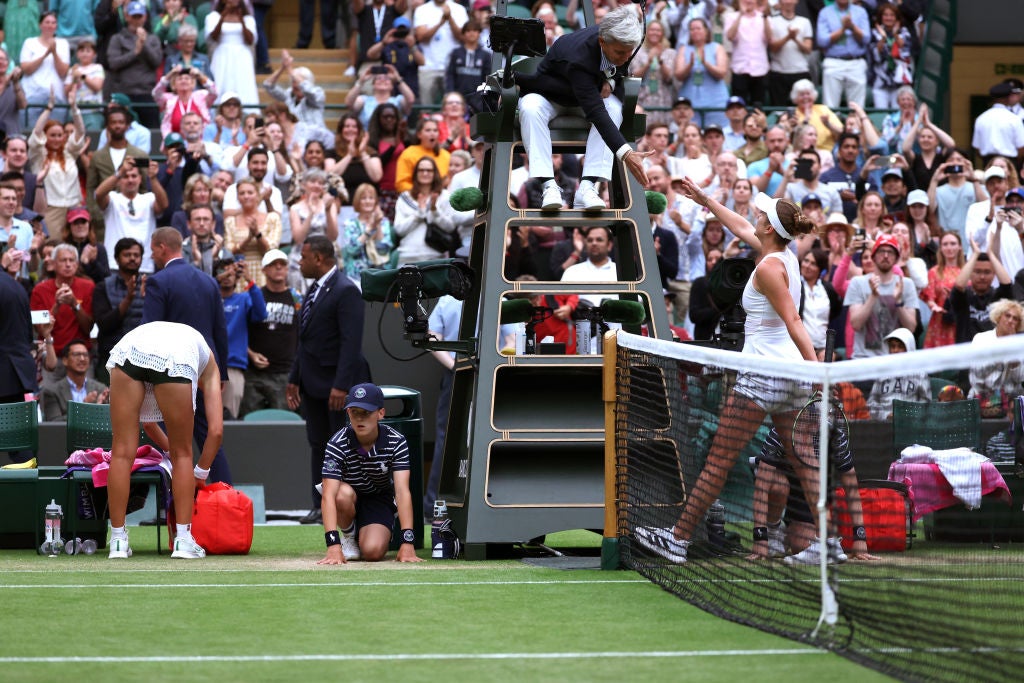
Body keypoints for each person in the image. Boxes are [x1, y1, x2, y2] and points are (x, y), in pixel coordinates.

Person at [634, 179, 818, 564]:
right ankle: (826, 542)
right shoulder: (785, 254)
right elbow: (738, 225)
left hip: (763, 376)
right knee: (803, 462)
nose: (756, 213)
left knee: (718, 460)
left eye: (762, 213)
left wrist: (818, 370)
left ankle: (678, 539)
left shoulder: (768, 268)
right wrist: (704, 199)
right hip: (790, 377)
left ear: (769, 228)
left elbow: (794, 320)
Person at [104, 321, 224, 560]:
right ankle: (183, 540)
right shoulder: (209, 366)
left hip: (129, 351)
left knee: (121, 452)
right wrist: (198, 473)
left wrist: (180, 460)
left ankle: (117, 541)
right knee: (183, 453)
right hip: (173, 358)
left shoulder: (188, 343)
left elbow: (149, 424)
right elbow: (216, 431)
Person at [518, 6, 651, 212]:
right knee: (529, 107)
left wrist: (612, 81)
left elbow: (620, 69)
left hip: (584, 97)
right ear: (602, 42)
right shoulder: (578, 58)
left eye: (629, 52)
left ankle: (588, 187)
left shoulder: (618, 41)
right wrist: (626, 153)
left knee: (614, 109)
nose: (626, 57)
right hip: (549, 97)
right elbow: (595, 112)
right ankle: (548, 185)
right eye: (620, 52)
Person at [287, 235, 372, 525]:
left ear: (319, 259)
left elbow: (351, 343)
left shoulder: (346, 290)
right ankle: (319, 504)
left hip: (336, 385)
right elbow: (305, 341)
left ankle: (344, 504)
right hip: (312, 383)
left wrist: (342, 385)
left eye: (304, 256)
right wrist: (294, 378)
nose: (300, 261)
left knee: (343, 445)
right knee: (318, 444)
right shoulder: (314, 289)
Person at [141, 227, 231, 484]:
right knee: (209, 436)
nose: (151, 253)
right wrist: (220, 374)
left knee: (173, 440)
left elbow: (149, 330)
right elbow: (220, 330)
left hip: (172, 371)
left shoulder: (158, 281)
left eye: (152, 248)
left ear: (161, 247)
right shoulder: (208, 281)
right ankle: (224, 499)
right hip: (206, 367)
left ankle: (172, 506)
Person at [318, 382, 422, 564]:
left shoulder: (397, 441)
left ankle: (376, 527)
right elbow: (328, 495)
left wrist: (408, 541)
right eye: (354, 412)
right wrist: (332, 545)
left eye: (366, 412)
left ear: (380, 413)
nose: (360, 418)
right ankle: (349, 537)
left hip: (378, 499)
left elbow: (402, 491)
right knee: (340, 494)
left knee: (373, 553)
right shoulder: (337, 442)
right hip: (348, 498)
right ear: (348, 413)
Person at [240, 249, 300, 416]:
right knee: (249, 425)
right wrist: (251, 354)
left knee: (284, 426)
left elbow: (305, 334)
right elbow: (238, 332)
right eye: (273, 265)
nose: (279, 268)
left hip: (285, 373)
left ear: (288, 269)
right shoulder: (252, 296)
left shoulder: (297, 298)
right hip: (254, 374)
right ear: (264, 270)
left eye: (282, 264)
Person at [213, 257, 267, 419]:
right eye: (223, 270)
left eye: (232, 271)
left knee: (229, 417)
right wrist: (215, 281)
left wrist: (250, 280)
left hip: (233, 367)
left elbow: (261, 314)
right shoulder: (208, 298)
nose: (228, 275)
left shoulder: (243, 299)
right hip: (206, 367)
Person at [28, 87, 86, 236]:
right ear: (45, 136)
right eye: (52, 135)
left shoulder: (69, 153)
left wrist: (74, 107)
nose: (56, 139)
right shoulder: (38, 154)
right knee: (53, 246)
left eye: (60, 135)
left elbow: (80, 132)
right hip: (51, 209)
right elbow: (36, 133)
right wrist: (49, 108)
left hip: (74, 207)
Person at [97, 157, 168, 275]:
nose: (130, 180)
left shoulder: (149, 198)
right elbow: (99, 194)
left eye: (134, 176)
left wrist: (153, 178)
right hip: (115, 265)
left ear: (140, 179)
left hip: (144, 265)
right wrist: (119, 173)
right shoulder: (113, 198)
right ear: (119, 180)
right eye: (126, 176)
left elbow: (164, 204)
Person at [0, 260, 39, 464]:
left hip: (6, 373)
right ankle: (29, 492)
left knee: (19, 446)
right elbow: (26, 335)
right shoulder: (16, 285)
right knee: (20, 445)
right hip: (17, 373)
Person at [91, 237, 146, 384]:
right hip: (111, 359)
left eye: (136, 255)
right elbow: (104, 324)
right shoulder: (103, 287)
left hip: (143, 359)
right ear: (116, 258)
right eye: (127, 255)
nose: (132, 259)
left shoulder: (149, 286)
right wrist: (128, 299)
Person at [29, 243, 94, 357]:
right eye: (63, 260)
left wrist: (75, 304)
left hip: (80, 355)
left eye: (71, 260)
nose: (68, 264)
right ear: (53, 264)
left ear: (77, 264)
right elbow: (40, 330)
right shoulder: (39, 290)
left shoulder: (88, 287)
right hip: (51, 354)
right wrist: (57, 304)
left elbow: (89, 328)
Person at [105, 2, 163, 129]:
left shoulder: (153, 39)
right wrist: (134, 52)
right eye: (134, 16)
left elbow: (156, 61)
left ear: (145, 17)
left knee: (153, 128)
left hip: (146, 92)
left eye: (139, 16)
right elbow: (113, 63)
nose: (136, 20)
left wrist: (144, 44)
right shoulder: (117, 39)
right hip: (124, 92)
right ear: (127, 17)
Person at [263, 49, 334, 149]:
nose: (296, 85)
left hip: (315, 142)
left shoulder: (318, 93)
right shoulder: (288, 95)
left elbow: (308, 90)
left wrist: (291, 71)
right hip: (294, 142)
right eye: (293, 82)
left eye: (297, 81)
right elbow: (268, 86)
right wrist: (283, 68)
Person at [393, 156, 456, 263]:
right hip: (408, 255)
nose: (425, 173)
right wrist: (418, 214)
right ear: (415, 173)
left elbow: (450, 227)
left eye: (429, 170)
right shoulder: (404, 198)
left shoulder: (444, 196)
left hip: (436, 257)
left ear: (434, 173)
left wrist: (434, 211)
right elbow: (399, 230)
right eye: (421, 170)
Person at [968, 299, 1024, 419]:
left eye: (1015, 319)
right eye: (1007, 316)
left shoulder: (1019, 345)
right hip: (983, 398)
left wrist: (1015, 363)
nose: (1010, 321)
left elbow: (1019, 381)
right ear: (998, 317)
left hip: (1010, 402)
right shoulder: (981, 339)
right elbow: (977, 377)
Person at [948, 244, 1013, 345]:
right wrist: (975, 254)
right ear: (970, 273)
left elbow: (1007, 284)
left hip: (993, 352)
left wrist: (991, 254)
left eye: (987, 272)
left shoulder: (997, 296)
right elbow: (959, 285)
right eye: (977, 272)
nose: (982, 277)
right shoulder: (963, 296)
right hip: (967, 352)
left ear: (994, 274)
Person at [224, 177, 282, 287]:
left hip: (264, 273)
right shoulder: (230, 221)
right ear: (238, 197)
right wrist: (248, 238)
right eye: (242, 193)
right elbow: (229, 251)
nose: (246, 196)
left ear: (258, 195)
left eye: (250, 192)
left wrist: (257, 234)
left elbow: (271, 250)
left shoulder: (272, 218)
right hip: (239, 274)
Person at [673, 17, 729, 129]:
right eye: (692, 29)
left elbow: (722, 72)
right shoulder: (684, 49)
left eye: (698, 28)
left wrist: (705, 63)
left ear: (706, 31)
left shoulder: (717, 47)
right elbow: (678, 75)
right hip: (690, 101)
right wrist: (690, 65)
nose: (695, 31)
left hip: (715, 101)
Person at [205, 0, 258, 113]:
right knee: (220, 84)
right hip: (222, 55)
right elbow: (213, 38)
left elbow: (250, 40)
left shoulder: (248, 18)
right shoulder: (213, 17)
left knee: (244, 86)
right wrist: (222, 18)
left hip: (242, 56)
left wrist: (242, 21)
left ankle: (247, 116)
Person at [865, 328, 931, 420]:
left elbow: (926, 405)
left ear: (909, 348)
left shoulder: (920, 373)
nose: (895, 350)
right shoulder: (882, 372)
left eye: (900, 346)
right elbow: (872, 403)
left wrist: (906, 415)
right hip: (883, 425)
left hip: (910, 426)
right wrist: (885, 416)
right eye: (892, 346)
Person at [815, 0, 870, 110]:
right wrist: (843, 29)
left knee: (857, 108)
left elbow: (866, 39)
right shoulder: (825, 12)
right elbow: (821, 41)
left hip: (856, 61)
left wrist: (852, 27)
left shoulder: (860, 12)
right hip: (833, 61)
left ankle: (856, 126)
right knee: (830, 106)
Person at [412, 0, 468, 107]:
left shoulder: (459, 9)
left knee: (453, 106)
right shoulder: (422, 9)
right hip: (428, 67)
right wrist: (441, 22)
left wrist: (450, 18)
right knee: (426, 108)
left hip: (452, 68)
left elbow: (463, 37)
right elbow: (420, 37)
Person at [19, 12, 71, 124]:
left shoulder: (63, 44)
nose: (50, 25)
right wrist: (46, 54)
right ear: (40, 25)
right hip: (31, 96)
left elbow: (63, 72)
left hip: (56, 96)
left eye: (53, 23)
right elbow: (26, 69)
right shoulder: (29, 42)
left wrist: (54, 53)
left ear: (56, 26)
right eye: (47, 22)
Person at [40, 339, 109, 421]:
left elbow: (106, 420)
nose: (82, 358)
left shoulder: (100, 389)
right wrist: (84, 408)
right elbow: (54, 423)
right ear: (65, 360)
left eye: (85, 355)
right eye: (77, 354)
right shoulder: (51, 392)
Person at [340, 183, 394, 279]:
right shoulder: (350, 223)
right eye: (363, 198)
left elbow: (383, 251)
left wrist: (377, 225)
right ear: (357, 201)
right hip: (355, 276)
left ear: (376, 201)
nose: (367, 201)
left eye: (371, 198)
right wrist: (369, 229)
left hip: (378, 275)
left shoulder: (384, 222)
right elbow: (351, 250)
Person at [919, 231, 963, 349]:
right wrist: (933, 306)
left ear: (960, 247)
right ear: (941, 248)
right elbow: (929, 297)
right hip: (940, 322)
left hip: (962, 321)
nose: (949, 248)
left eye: (953, 244)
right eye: (945, 244)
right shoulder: (934, 272)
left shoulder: (966, 270)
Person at [766, 0, 813, 108]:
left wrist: (795, 39)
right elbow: (772, 48)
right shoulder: (772, 21)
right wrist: (788, 37)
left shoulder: (804, 22)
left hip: (800, 71)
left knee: (803, 109)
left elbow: (808, 49)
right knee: (778, 109)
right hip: (778, 73)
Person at [152, 64, 218, 139]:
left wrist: (200, 75)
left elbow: (214, 92)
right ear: (174, 84)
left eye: (187, 78)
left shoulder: (201, 96)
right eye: (180, 79)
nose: (183, 81)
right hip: (175, 143)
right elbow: (155, 93)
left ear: (192, 83)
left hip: (201, 142)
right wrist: (170, 75)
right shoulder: (169, 99)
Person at [630, 20, 675, 128]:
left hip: (663, 99)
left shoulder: (670, 53)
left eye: (658, 30)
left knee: (661, 131)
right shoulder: (636, 52)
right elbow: (634, 77)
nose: (655, 32)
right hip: (643, 98)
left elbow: (669, 78)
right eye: (652, 30)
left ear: (662, 33)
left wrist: (660, 60)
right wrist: (648, 62)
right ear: (646, 32)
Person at [972, 82, 1024, 165]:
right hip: (1010, 162)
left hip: (988, 162)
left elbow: (977, 149)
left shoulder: (981, 118)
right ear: (1008, 98)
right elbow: (1021, 148)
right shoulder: (1014, 119)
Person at [394, 118, 449, 194]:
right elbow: (401, 184)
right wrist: (422, 193)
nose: (432, 133)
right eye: (428, 130)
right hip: (415, 198)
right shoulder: (409, 153)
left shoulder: (446, 155)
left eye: (435, 130)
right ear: (419, 134)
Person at [63, 206, 110, 284]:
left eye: (83, 222)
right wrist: (82, 263)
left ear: (89, 225)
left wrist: (93, 262)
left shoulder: (98, 248)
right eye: (76, 223)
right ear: (69, 227)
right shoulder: (63, 249)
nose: (80, 226)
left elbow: (106, 278)